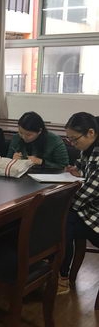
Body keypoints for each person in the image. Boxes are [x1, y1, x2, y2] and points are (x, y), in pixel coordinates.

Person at [58, 112, 99, 294]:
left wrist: (63, 205)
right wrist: (76, 170)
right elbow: (82, 167)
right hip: (92, 206)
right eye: (69, 140)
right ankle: (59, 270)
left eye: (74, 139)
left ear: (90, 132)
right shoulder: (90, 148)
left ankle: (62, 276)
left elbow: (89, 191)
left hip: (96, 213)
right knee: (64, 219)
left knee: (64, 221)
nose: (72, 144)